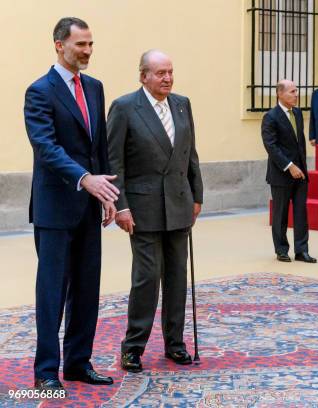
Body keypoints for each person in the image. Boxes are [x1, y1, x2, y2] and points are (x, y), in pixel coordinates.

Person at [24, 17, 117, 390]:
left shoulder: (94, 88)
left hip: (89, 206)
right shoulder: (39, 91)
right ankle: (46, 371)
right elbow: (46, 147)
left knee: (86, 288)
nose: (88, 51)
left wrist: (111, 196)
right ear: (59, 45)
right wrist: (84, 179)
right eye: (81, 45)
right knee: (52, 292)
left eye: (91, 44)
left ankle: (79, 363)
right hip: (54, 208)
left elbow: (100, 148)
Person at [107, 50, 204, 372]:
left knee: (177, 279)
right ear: (143, 76)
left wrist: (197, 194)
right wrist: (120, 205)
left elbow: (191, 153)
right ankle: (133, 347)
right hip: (143, 207)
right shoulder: (124, 107)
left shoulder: (182, 104)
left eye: (170, 72)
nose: (167, 78)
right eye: (160, 73)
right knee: (147, 278)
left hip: (179, 203)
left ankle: (175, 343)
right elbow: (114, 161)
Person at [262, 79, 316, 263]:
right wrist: (289, 166)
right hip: (281, 175)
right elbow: (271, 146)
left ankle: (302, 250)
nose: (296, 95)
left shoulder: (298, 113)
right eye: (292, 91)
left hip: (300, 174)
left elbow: (300, 143)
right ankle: (281, 249)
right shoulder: (270, 116)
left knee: (301, 213)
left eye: (296, 91)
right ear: (280, 94)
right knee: (280, 214)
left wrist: (302, 168)